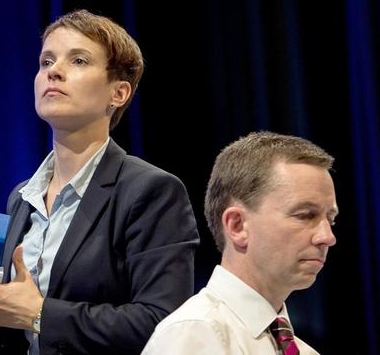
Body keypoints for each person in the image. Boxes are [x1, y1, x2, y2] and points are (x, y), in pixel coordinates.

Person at [0, 9, 199, 354]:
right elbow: (15, 332)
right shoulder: (22, 198)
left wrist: (39, 313)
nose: (53, 72)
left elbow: (164, 325)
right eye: (46, 62)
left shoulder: (149, 191)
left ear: (118, 93)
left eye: (78, 61)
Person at [141, 131, 338, 354]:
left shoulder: (305, 351)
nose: (327, 237)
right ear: (237, 226)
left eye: (330, 219)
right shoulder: (194, 334)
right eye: (304, 215)